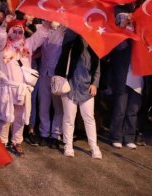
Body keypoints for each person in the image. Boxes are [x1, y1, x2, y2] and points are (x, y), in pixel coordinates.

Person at [0, 19, 42, 156]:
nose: (18, 34)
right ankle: (1, 142)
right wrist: (3, 25)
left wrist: (49, 23)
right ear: (9, 31)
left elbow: (40, 36)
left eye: (20, 31)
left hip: (22, 89)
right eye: (15, 30)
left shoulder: (27, 46)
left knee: (20, 117)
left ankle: (16, 141)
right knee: (5, 117)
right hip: (7, 88)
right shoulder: (2, 46)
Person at [55, 33, 102, 159]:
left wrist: (94, 84)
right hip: (70, 86)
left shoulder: (95, 47)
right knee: (69, 118)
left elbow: (97, 68)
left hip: (86, 89)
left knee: (89, 119)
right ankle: (68, 145)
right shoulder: (71, 43)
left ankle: (94, 147)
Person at [108, 13, 141, 149]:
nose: (128, 20)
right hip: (123, 77)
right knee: (120, 108)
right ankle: (116, 136)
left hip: (138, 78)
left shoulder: (140, 34)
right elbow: (118, 47)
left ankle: (129, 137)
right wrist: (122, 28)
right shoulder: (120, 37)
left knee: (132, 110)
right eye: (123, 20)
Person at [36, 20, 66, 148]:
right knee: (43, 105)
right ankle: (44, 133)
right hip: (43, 72)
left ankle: (55, 134)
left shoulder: (64, 31)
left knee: (58, 106)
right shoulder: (42, 29)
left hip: (57, 75)